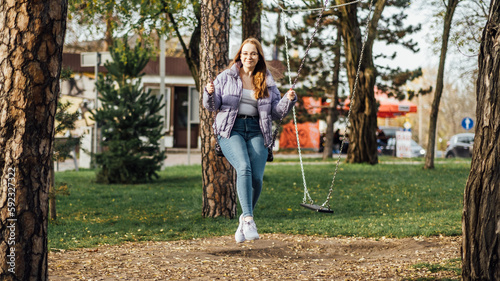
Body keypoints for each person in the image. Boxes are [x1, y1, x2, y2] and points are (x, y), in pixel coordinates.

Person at [203, 38, 297, 243]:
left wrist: (288, 100)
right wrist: (209, 93)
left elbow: (276, 113)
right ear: (239, 56)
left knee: (256, 179)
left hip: (257, 130)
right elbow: (212, 106)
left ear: (259, 57)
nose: (249, 57)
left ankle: (244, 219)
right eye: (245, 53)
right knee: (244, 167)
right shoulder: (226, 77)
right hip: (231, 130)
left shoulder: (267, 81)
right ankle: (248, 218)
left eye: (253, 53)